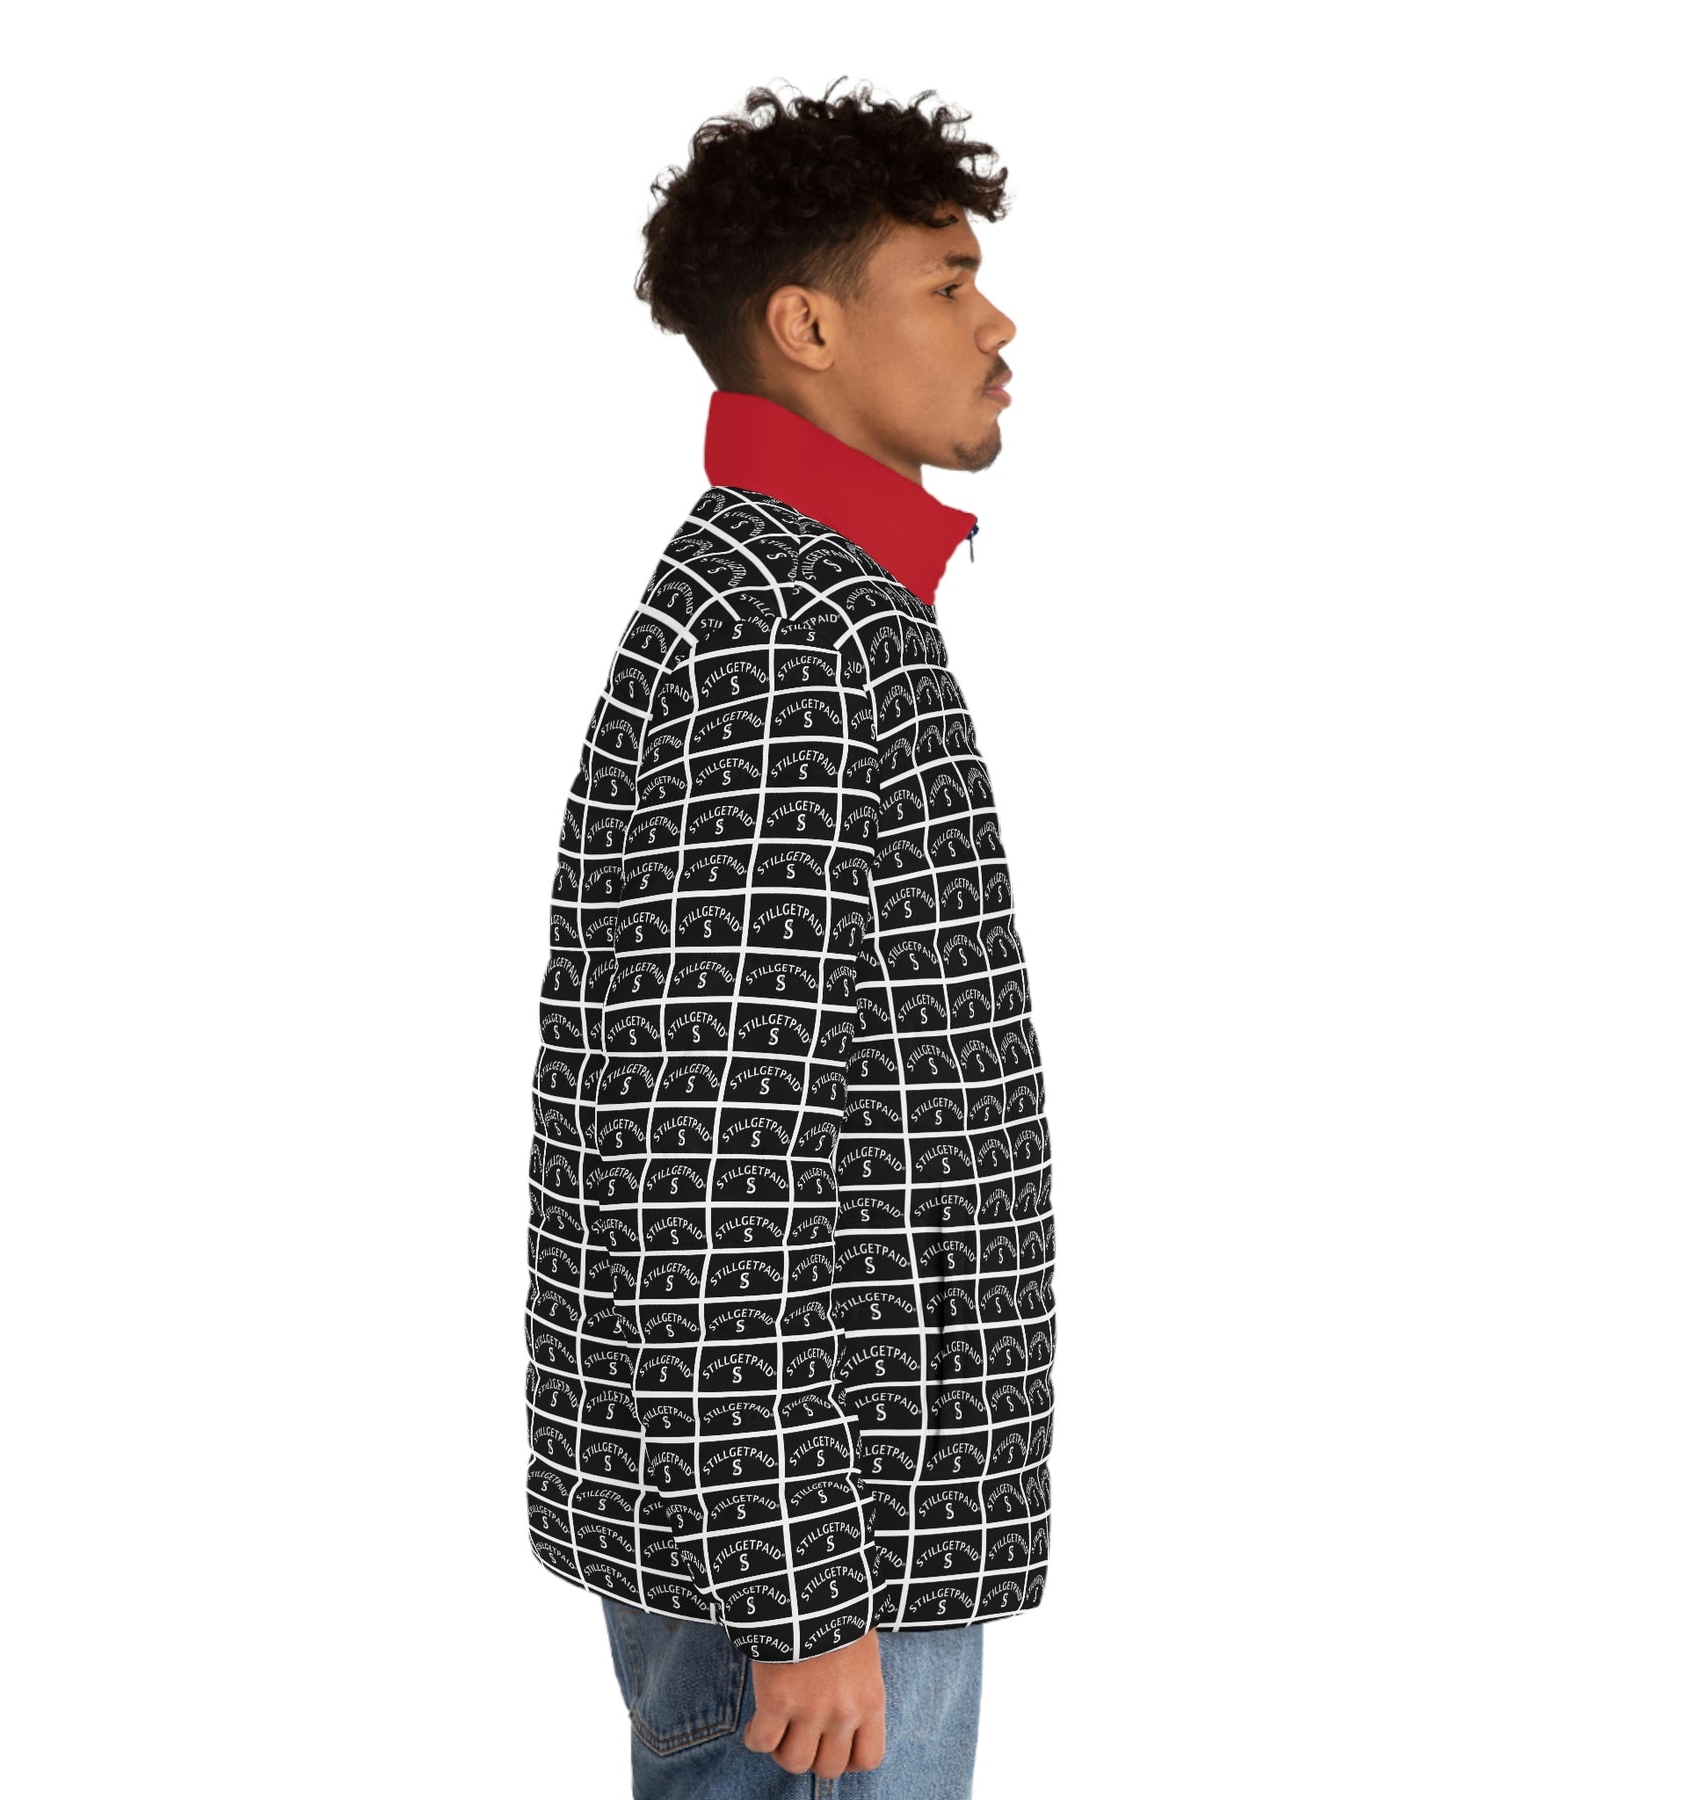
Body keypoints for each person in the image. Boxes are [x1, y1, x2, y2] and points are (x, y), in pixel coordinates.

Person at [525, 76, 1055, 1796]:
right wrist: (798, 1590)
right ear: (806, 326)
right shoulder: (780, 631)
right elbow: (710, 1152)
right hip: (827, 1585)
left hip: (850, 1546)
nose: (997, 324)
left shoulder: (818, 600)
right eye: (948, 284)